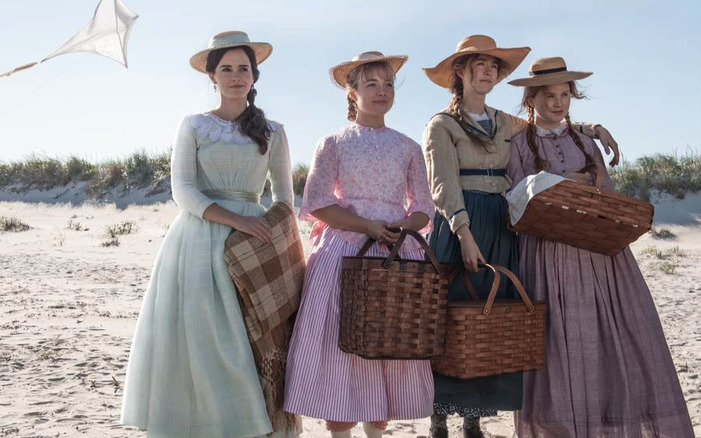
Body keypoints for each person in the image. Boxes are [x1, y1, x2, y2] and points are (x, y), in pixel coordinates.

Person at [421, 35, 620, 438]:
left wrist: (593, 127)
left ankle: (473, 417)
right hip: (462, 221)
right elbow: (442, 185)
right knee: (454, 311)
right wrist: (464, 233)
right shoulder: (440, 125)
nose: (488, 71)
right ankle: (439, 414)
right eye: (479, 64)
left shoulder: (502, 121)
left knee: (492, 312)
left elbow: (546, 124)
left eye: (494, 65)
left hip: (501, 220)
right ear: (460, 72)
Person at [120, 31, 299, 438]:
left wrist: (264, 229)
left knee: (252, 337)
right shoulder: (195, 125)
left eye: (243, 68)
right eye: (226, 69)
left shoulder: (273, 130)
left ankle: (253, 423)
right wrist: (235, 221)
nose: (236, 76)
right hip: (199, 239)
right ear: (212, 76)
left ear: (254, 76)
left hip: (255, 241)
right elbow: (182, 190)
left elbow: (285, 198)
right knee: (202, 337)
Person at [506, 56, 695, 437]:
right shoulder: (516, 143)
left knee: (613, 336)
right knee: (557, 344)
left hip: (597, 255)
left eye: (564, 94)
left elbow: (604, 192)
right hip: (546, 253)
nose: (558, 102)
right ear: (531, 98)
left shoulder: (585, 141)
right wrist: (558, 182)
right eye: (549, 95)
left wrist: (588, 179)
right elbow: (514, 197)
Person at [283, 51, 436, 438]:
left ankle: (377, 432)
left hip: (394, 252)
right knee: (341, 343)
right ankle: (339, 432)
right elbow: (318, 203)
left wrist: (397, 229)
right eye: (371, 84)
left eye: (388, 84)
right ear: (352, 93)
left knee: (386, 340)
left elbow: (424, 209)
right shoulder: (333, 143)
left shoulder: (407, 147)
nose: (382, 91)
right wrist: (367, 225)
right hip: (343, 252)